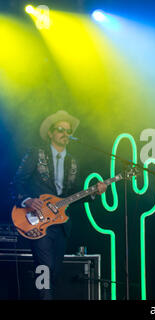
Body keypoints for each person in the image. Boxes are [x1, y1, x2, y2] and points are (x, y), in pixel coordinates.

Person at [10, 110, 107, 300]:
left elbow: (73, 195)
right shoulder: (36, 154)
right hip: (38, 220)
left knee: (53, 271)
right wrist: (27, 200)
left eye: (68, 131)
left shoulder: (73, 162)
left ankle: (42, 295)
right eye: (60, 129)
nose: (65, 134)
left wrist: (94, 193)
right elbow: (16, 183)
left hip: (60, 224)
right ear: (50, 133)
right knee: (44, 268)